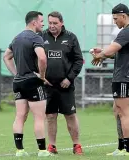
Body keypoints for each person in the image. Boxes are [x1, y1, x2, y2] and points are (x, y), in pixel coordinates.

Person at [90, 3, 129, 156]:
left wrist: (100, 55)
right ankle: (121, 148)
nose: (114, 21)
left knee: (123, 111)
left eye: (115, 18)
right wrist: (103, 52)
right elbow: (116, 52)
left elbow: (111, 49)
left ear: (123, 16)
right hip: (123, 76)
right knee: (117, 110)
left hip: (125, 76)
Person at [3, 11, 52, 157]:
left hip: (18, 82)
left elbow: (6, 57)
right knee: (39, 117)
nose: (43, 24)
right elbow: (42, 58)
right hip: (32, 82)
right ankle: (42, 151)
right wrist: (42, 77)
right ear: (34, 22)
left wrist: (16, 74)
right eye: (41, 21)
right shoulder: (35, 37)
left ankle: (20, 150)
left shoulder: (16, 38)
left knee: (19, 116)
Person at [39, 11, 83, 155]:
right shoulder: (41, 37)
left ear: (62, 23)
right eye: (50, 23)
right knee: (50, 116)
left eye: (55, 23)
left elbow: (78, 60)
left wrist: (69, 78)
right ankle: (52, 146)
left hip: (66, 85)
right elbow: (35, 58)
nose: (51, 26)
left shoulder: (71, 37)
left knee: (70, 115)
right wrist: (41, 76)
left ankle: (76, 145)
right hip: (47, 85)